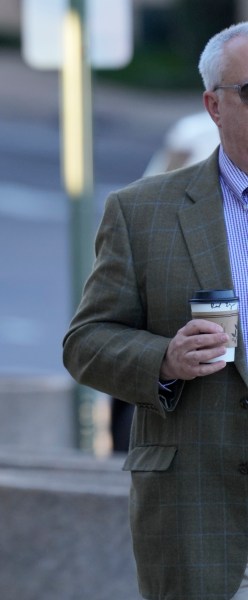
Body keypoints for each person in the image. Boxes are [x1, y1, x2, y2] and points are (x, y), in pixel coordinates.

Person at [63, 21, 248, 600]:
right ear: (213, 105)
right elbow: (86, 343)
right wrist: (163, 359)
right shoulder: (143, 211)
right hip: (195, 514)